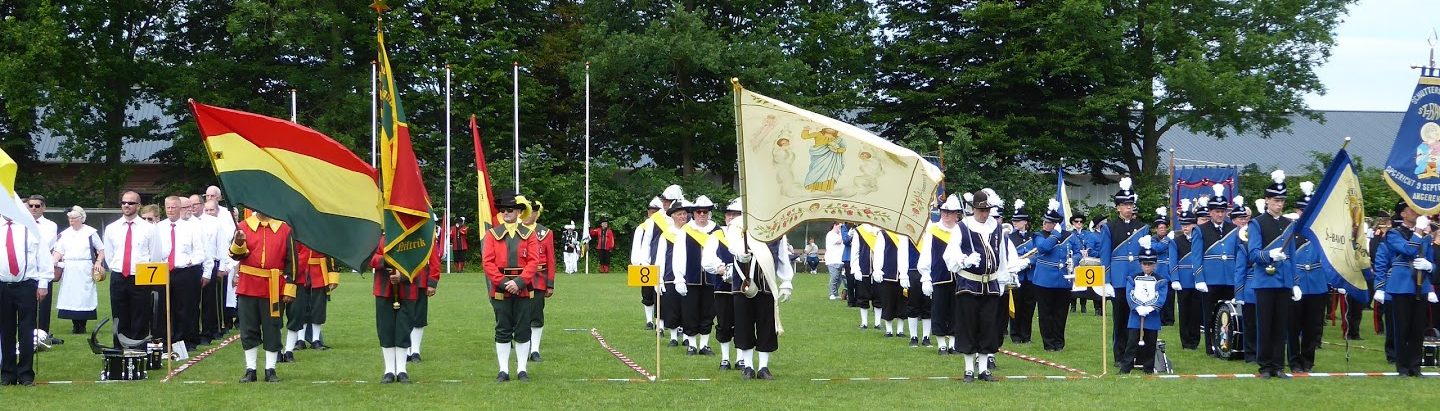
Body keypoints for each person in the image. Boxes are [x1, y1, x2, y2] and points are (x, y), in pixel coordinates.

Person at [944, 188, 1025, 382]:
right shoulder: (962, 228)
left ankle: (984, 369)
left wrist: (1004, 278)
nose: (984, 214)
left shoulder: (996, 228)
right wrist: (964, 260)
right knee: (968, 326)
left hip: (990, 285)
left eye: (987, 210)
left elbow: (1002, 256)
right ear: (973, 210)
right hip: (968, 284)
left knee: (988, 327)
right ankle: (969, 369)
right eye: (981, 210)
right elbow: (949, 254)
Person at [721, 197, 794, 379]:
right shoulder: (737, 225)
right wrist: (740, 253)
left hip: (766, 284)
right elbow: (732, 245)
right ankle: (747, 366)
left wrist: (786, 281)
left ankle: (763, 367)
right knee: (743, 326)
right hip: (743, 285)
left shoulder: (776, 224)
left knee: (766, 326)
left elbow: (782, 255)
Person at [229, 211, 292, 383]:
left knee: (273, 327)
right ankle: (251, 369)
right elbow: (235, 255)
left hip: (273, 287)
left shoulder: (285, 229)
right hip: (248, 286)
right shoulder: (242, 226)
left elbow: (291, 262)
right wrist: (239, 243)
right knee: (248, 328)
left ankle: (270, 369)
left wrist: (289, 289)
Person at [1375, 201, 1436, 377]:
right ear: (1403, 214)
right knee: (1402, 328)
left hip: (1421, 286)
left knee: (1418, 329)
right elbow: (1406, 250)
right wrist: (1418, 232)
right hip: (1401, 285)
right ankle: (1402, 367)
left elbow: (1432, 261)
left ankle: (1415, 367)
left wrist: (1429, 267)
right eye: (1411, 209)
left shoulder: (1425, 235)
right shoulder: (1394, 233)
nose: (1416, 212)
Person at [485, 192, 540, 382]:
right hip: (500, 288)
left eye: (510, 210)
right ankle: (503, 370)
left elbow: (534, 261)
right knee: (503, 328)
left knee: (523, 328)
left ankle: (522, 369)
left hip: (523, 288)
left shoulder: (529, 235)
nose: (506, 213)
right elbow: (487, 262)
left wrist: (518, 283)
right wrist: (502, 282)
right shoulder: (492, 235)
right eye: (503, 210)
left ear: (518, 212)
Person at [1245, 171, 1295, 378]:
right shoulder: (1257, 223)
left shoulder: (1289, 223)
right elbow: (1253, 253)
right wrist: (1269, 254)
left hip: (1283, 281)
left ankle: (1278, 364)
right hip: (1265, 281)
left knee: (1281, 325)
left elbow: (1292, 256)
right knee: (1265, 325)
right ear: (1267, 200)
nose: (1279, 204)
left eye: (1282, 200)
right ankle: (1265, 365)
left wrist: (1295, 282)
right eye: (1276, 200)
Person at [1097, 178, 1149, 363]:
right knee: (1120, 319)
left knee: (1137, 318)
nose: (1129, 208)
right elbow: (1105, 255)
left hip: (1137, 279)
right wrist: (1107, 280)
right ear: (1118, 207)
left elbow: (1146, 256)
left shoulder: (1142, 227)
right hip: (1118, 279)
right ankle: (1120, 355)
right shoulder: (1109, 228)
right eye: (1125, 205)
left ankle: (1135, 353)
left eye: (1131, 204)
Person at [1, 213, 53, 386]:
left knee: (27, 329)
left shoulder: (29, 227)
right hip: (2, 285)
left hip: (26, 285)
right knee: (6, 330)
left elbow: (43, 255)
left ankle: (25, 373)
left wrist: (43, 282)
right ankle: (7, 373)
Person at [102, 191, 159, 344]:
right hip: (119, 276)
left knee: (140, 314)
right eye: (124, 202)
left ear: (139, 206)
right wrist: (117, 268)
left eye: (131, 203)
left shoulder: (149, 229)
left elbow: (154, 255)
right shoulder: (111, 228)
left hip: (140, 276)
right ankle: (120, 348)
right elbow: (109, 254)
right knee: (119, 314)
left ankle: (138, 349)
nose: (126, 205)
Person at [156, 196, 207, 358]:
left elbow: (200, 251)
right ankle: (165, 340)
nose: (170, 210)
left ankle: (185, 340)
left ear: (180, 208)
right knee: (164, 307)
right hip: (163, 271)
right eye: (168, 207)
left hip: (185, 271)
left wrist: (191, 261)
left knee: (185, 308)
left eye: (173, 207)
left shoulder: (191, 228)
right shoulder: (158, 228)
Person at [671, 196, 720, 355]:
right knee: (690, 312)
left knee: (708, 312)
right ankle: (692, 345)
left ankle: (704, 345)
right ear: (693, 213)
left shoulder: (717, 230)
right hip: (691, 278)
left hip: (712, 279)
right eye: (698, 211)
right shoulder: (686, 230)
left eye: (705, 211)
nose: (701, 214)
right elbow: (678, 255)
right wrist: (679, 278)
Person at [1196, 184, 1240, 357]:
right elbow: (1197, 255)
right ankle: (1210, 347)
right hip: (1210, 278)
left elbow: (1237, 255)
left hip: (1229, 278)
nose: (1220, 214)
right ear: (1210, 212)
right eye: (1216, 211)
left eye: (1222, 211)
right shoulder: (1201, 229)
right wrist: (1199, 278)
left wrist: (1238, 277)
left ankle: (1225, 345)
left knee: (1228, 313)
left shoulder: (1233, 230)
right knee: (1210, 314)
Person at [370, 237, 421, 384]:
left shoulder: (414, 240)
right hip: (383, 289)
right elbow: (371, 258)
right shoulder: (380, 239)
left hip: (407, 290)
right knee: (386, 330)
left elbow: (419, 263)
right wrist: (386, 261)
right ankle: (389, 370)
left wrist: (403, 276)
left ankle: (402, 370)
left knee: (403, 329)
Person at [1032, 198, 1079, 352]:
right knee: (1046, 314)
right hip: (1044, 281)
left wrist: (1074, 260)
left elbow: (1079, 251)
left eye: (1049, 222)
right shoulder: (1039, 235)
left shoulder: (1069, 236)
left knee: (1061, 314)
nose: (1045, 224)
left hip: (1063, 280)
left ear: (1056, 223)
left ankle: (1059, 342)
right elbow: (1044, 248)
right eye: (1045, 221)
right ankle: (1048, 343)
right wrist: (1055, 235)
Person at [1288, 181, 1326, 373]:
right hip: (1298, 281)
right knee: (1293, 326)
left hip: (1317, 283)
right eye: (1304, 210)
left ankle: (1308, 360)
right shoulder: (1291, 231)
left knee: (1313, 326)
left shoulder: (1321, 232)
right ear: (1297, 210)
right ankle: (1294, 360)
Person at [702, 198, 743, 370]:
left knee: (743, 323)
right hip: (723, 287)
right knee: (724, 323)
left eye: (735, 214)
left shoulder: (746, 236)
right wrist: (720, 267)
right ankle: (725, 359)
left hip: (743, 288)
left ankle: (741, 358)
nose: (731, 218)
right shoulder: (717, 236)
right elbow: (707, 259)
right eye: (728, 214)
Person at [920, 195, 962, 354]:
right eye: (944, 212)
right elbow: (926, 254)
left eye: (949, 212)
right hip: (939, 276)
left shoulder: (960, 230)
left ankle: (953, 343)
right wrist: (926, 277)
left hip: (958, 277)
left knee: (955, 311)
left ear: (956, 214)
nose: (946, 215)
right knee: (939, 310)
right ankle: (941, 344)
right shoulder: (933, 231)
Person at [283, 242, 338, 362]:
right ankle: (300, 340)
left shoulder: (322, 234)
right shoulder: (297, 231)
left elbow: (330, 254)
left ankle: (316, 340)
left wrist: (333, 276)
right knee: (301, 308)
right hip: (300, 271)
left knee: (318, 308)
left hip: (319, 272)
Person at [1120, 238, 1168, 374]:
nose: (1147, 267)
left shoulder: (1161, 280)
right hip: (1136, 315)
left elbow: (1161, 296)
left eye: (1150, 264)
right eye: (1145, 264)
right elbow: (1129, 294)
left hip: (1152, 316)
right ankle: (1126, 368)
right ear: (1140, 264)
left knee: (1150, 343)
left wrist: (1151, 307)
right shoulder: (1132, 278)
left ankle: (1148, 368)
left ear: (1155, 264)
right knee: (1131, 343)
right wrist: (1137, 307)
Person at [53, 206, 104, 334]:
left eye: (74, 218)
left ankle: (82, 324)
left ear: (81, 218)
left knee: (84, 295)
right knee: (71, 295)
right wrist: (53, 261)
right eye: (69, 218)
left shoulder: (90, 232)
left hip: (85, 267)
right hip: (70, 268)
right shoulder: (65, 234)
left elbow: (101, 249)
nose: (71, 221)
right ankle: (75, 324)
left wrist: (98, 261)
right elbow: (59, 251)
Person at [517, 198, 554, 362]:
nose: (528, 214)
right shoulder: (515, 231)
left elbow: (551, 259)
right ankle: (521, 345)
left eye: (532, 211)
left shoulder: (545, 233)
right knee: (518, 314)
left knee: (536, 315)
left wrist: (550, 283)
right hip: (518, 280)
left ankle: (535, 350)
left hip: (538, 280)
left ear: (536, 213)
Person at [655, 199, 691, 347]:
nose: (683, 217)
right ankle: (674, 337)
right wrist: (659, 279)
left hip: (688, 276)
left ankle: (688, 336)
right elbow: (660, 257)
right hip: (670, 276)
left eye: (684, 214)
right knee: (672, 308)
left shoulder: (691, 233)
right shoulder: (666, 235)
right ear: (673, 216)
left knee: (688, 308)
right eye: (680, 214)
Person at [23, 196, 57, 341]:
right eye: (31, 206)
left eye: (37, 206)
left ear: (43, 208)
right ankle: (27, 332)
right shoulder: (22, 223)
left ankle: (43, 333)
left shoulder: (50, 225)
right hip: (27, 268)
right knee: (27, 302)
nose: (33, 209)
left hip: (43, 265)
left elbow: (44, 243)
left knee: (44, 303)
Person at [1171, 199, 1203, 350]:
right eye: (1183, 225)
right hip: (1183, 280)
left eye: (1188, 224)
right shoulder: (1176, 241)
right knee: (1184, 312)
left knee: (1196, 311)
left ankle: (1195, 340)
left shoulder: (1199, 239)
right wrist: (1175, 279)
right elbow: (1173, 261)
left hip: (1197, 279)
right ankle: (1185, 341)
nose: (1185, 228)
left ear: (1194, 224)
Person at [871, 226, 910, 338]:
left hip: (902, 275)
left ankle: (900, 330)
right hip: (887, 274)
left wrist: (904, 273)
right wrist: (877, 269)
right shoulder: (883, 234)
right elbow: (878, 252)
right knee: (888, 302)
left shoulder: (905, 234)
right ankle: (889, 329)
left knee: (902, 302)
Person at [407, 237, 441, 363]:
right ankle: (405, 350)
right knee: (403, 316)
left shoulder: (427, 234)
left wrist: (432, 282)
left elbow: (434, 260)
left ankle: (415, 351)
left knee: (419, 317)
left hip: (420, 280)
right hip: (401, 281)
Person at [1008, 199, 1037, 344]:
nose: (1015, 223)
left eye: (1018, 220)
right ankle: (1015, 335)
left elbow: (1038, 254)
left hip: (1030, 276)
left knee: (1029, 307)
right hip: (1016, 276)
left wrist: (1028, 262)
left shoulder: (1034, 236)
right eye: (1014, 220)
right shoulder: (1009, 237)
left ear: (1025, 222)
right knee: (1016, 305)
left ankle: (1027, 336)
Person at [850, 223, 881, 330]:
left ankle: (878, 323)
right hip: (864, 268)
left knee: (879, 296)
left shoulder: (881, 230)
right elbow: (855, 251)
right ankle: (864, 322)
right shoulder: (860, 230)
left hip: (879, 269)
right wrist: (856, 268)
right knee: (863, 296)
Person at [1151, 207, 1174, 326]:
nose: (1163, 230)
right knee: (1159, 297)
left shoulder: (1170, 239)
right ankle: (1158, 318)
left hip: (1169, 272)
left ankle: (1169, 319)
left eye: (1165, 228)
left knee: (1170, 297)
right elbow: (1157, 249)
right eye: (1161, 228)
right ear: (1156, 229)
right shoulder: (1152, 239)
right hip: (1158, 272)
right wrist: (1167, 239)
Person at [824, 223, 845, 300]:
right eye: (839, 226)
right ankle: (831, 293)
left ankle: (835, 293)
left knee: (839, 278)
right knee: (834, 277)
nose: (840, 228)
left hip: (840, 259)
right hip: (832, 259)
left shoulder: (839, 234)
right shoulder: (831, 234)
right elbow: (839, 241)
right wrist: (843, 234)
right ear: (835, 225)